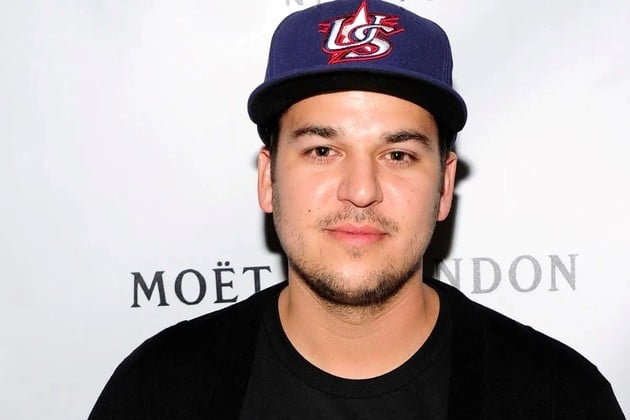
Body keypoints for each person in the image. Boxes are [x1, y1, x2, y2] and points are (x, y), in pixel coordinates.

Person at [89, 1, 625, 419]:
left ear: (444, 186)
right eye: (323, 150)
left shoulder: (558, 399)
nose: (361, 190)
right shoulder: (158, 392)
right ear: (268, 180)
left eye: (398, 155)